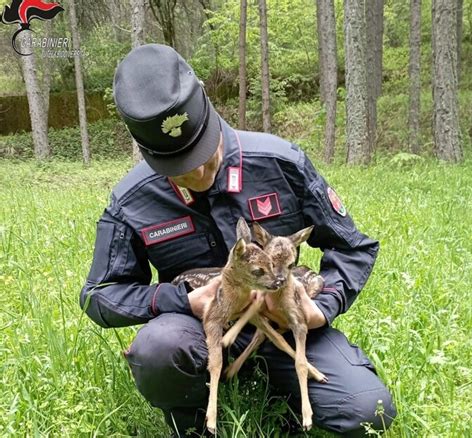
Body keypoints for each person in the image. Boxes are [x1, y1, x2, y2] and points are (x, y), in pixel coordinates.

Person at [80, 44, 396, 437]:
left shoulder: (280, 162)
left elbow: (353, 247)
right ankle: (194, 419)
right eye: (177, 167)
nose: (196, 171)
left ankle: (280, 404)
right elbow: (99, 294)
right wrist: (181, 300)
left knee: (370, 409)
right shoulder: (133, 200)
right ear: (146, 152)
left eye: (201, 151)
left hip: (284, 319)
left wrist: (322, 307)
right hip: (200, 328)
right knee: (157, 350)